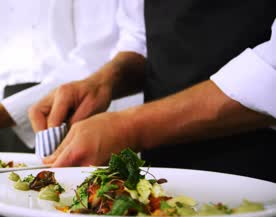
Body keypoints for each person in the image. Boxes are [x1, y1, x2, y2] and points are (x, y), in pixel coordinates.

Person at [28, 1, 276, 182]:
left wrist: (130, 127)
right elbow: (140, 39)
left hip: (258, 169)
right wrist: (103, 82)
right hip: (164, 170)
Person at [0, 0, 120, 153]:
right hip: (5, 116)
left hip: (63, 110)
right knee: (10, 188)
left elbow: (95, 57)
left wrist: (7, 111)